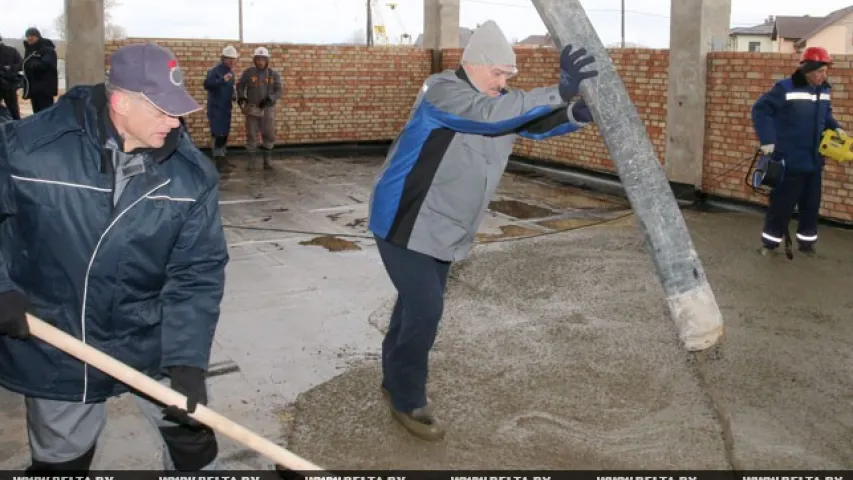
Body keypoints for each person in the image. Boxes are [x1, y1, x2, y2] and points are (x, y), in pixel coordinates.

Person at [0, 42, 229, 472]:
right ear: (120, 102)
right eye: (162, 110)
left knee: (196, 448)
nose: (175, 122)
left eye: (177, 109)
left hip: (149, 338)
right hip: (59, 340)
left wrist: (187, 358)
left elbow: (197, 272)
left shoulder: (191, 176)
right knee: (61, 462)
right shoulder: (30, 148)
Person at [366, 20, 598, 441]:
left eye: (510, 75)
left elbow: (529, 123)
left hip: (446, 226)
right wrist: (558, 91)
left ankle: (393, 376)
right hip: (405, 219)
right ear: (472, 64)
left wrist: (572, 113)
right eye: (499, 73)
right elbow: (487, 118)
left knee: (415, 305)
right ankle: (407, 397)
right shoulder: (444, 92)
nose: (505, 81)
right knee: (426, 309)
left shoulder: (498, 100)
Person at [751, 46, 843, 257]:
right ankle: (770, 244)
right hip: (789, 160)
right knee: (782, 206)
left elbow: (825, 116)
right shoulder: (785, 88)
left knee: (811, 206)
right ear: (807, 69)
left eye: (825, 71)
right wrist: (768, 140)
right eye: (819, 71)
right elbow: (760, 110)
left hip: (813, 161)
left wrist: (835, 127)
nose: (823, 75)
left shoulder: (824, 91)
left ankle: (807, 243)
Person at [236, 46, 282, 171]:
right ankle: (251, 163)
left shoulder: (273, 74)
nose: (260, 61)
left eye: (263, 59)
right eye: (258, 59)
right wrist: (241, 98)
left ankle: (267, 162)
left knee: (269, 134)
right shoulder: (249, 73)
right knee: (251, 135)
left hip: (267, 110)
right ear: (254, 60)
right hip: (252, 109)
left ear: (267, 60)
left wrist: (270, 99)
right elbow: (240, 86)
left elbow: (279, 91)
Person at [204, 45, 239, 174]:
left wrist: (234, 95)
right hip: (216, 108)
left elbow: (230, 88)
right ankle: (218, 161)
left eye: (234, 59)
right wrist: (222, 80)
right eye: (229, 59)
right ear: (223, 58)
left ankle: (223, 158)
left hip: (226, 108)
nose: (232, 61)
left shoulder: (231, 73)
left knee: (224, 134)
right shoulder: (215, 71)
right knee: (218, 134)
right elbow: (207, 85)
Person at [21, 27, 58, 114]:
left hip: (44, 89)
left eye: (32, 36)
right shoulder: (29, 50)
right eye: (28, 36)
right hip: (33, 88)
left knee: (46, 113)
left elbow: (48, 64)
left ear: (38, 36)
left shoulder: (47, 49)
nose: (29, 38)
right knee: (37, 114)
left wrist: (33, 64)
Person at [0, 34, 23, 120]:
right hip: (8, 84)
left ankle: (17, 127)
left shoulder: (11, 51)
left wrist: (10, 67)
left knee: (13, 109)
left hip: (9, 84)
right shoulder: (12, 50)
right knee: (13, 110)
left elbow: (21, 64)